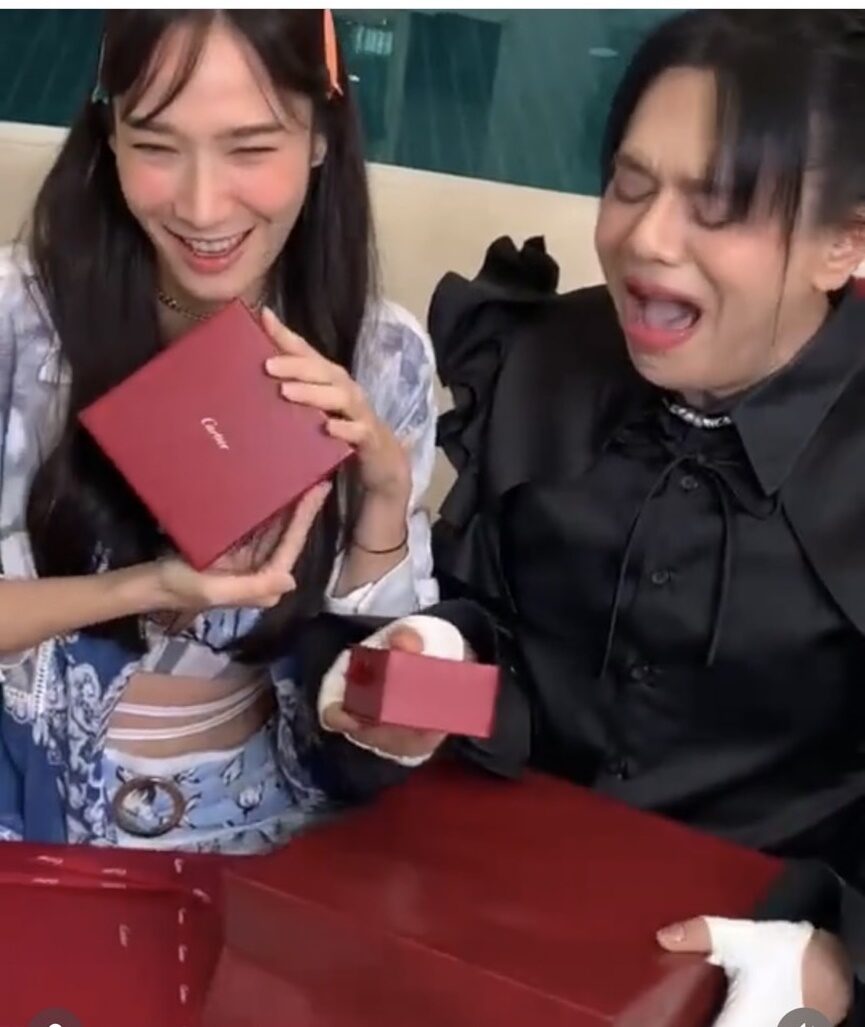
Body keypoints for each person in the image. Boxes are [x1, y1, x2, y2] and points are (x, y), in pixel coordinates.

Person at [320, 11, 865, 1025]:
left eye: (718, 206)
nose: (644, 239)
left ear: (845, 243)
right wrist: (435, 650)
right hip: (474, 941)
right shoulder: (542, 361)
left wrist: (838, 961)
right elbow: (493, 632)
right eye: (629, 183)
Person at [0, 9, 441, 855]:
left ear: (320, 136)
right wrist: (144, 586)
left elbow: (381, 716)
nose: (202, 206)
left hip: (280, 833)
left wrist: (383, 496)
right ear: (109, 135)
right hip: (29, 815)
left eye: (250, 148)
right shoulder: (19, 323)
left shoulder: (382, 355)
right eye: (156, 145)